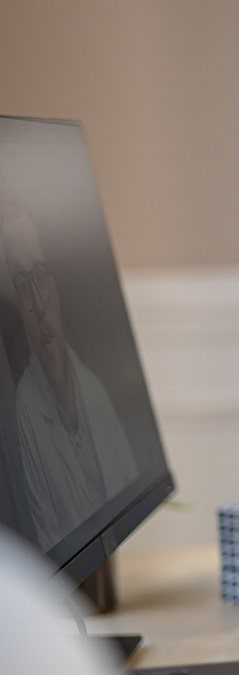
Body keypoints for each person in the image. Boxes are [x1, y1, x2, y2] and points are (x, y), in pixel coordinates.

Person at [0, 195, 138, 550]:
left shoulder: (93, 386)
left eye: (40, 275)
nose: (37, 302)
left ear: (56, 283)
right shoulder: (26, 412)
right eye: (21, 283)